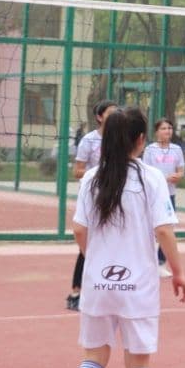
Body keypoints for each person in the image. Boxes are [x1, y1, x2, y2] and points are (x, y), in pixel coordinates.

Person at [65, 106, 185, 368]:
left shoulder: (92, 178)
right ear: (140, 140)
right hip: (138, 285)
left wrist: (95, 259)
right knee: (138, 363)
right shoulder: (152, 178)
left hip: (98, 283)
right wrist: (178, 272)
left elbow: (79, 230)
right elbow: (164, 231)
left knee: (93, 357)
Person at [67, 100, 118, 311]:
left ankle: (108, 290)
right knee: (89, 244)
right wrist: (100, 172)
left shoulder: (119, 139)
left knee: (113, 243)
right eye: (111, 113)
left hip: (115, 196)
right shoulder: (89, 140)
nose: (115, 116)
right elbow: (77, 171)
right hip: (93, 196)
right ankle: (75, 292)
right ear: (99, 117)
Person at [142, 118, 185, 278]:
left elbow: (181, 170)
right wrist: (162, 179)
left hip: (169, 195)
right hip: (153, 195)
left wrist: (177, 176)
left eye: (169, 128)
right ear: (156, 132)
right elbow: (145, 172)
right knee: (151, 229)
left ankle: (161, 262)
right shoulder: (150, 150)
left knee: (168, 228)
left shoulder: (176, 149)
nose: (167, 131)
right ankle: (147, 261)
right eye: (163, 128)